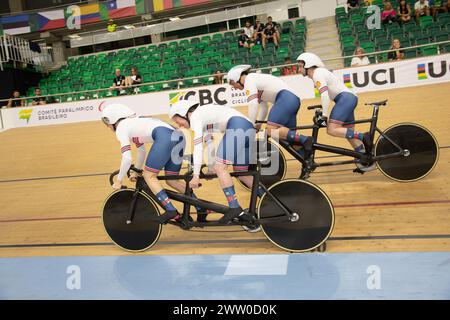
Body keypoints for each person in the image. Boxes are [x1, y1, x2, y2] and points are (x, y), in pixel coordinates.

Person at [102, 103, 207, 223]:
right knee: (171, 180)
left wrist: (119, 180)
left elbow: (127, 158)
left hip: (165, 138)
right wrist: (136, 171)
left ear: (112, 120)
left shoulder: (121, 128)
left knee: (149, 175)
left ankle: (170, 210)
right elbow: (141, 151)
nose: (107, 127)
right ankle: (200, 207)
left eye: (106, 123)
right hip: (179, 137)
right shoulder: (134, 123)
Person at [169, 100, 265, 223]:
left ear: (184, 114)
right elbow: (209, 145)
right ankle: (268, 198)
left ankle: (235, 207)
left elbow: (197, 148)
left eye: (178, 122)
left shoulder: (195, 117)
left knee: (220, 167)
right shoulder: (203, 115)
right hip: (247, 127)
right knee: (242, 174)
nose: (179, 126)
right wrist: (210, 167)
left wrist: (196, 176)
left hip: (237, 126)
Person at [296, 52, 374, 171]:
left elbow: (325, 96)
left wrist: (324, 116)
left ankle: (364, 137)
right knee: (349, 133)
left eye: (301, 66)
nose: (299, 69)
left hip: (344, 99)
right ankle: (365, 158)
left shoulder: (317, 74)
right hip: (347, 99)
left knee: (332, 129)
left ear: (309, 65)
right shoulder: (320, 73)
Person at [227, 65, 312, 157]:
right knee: (288, 138)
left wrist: (250, 125)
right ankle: (307, 159)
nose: (234, 87)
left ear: (236, 78)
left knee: (271, 130)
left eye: (232, 83)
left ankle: (305, 139)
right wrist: (258, 125)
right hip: (290, 100)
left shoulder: (249, 80)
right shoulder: (254, 80)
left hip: (285, 98)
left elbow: (253, 104)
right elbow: (264, 107)